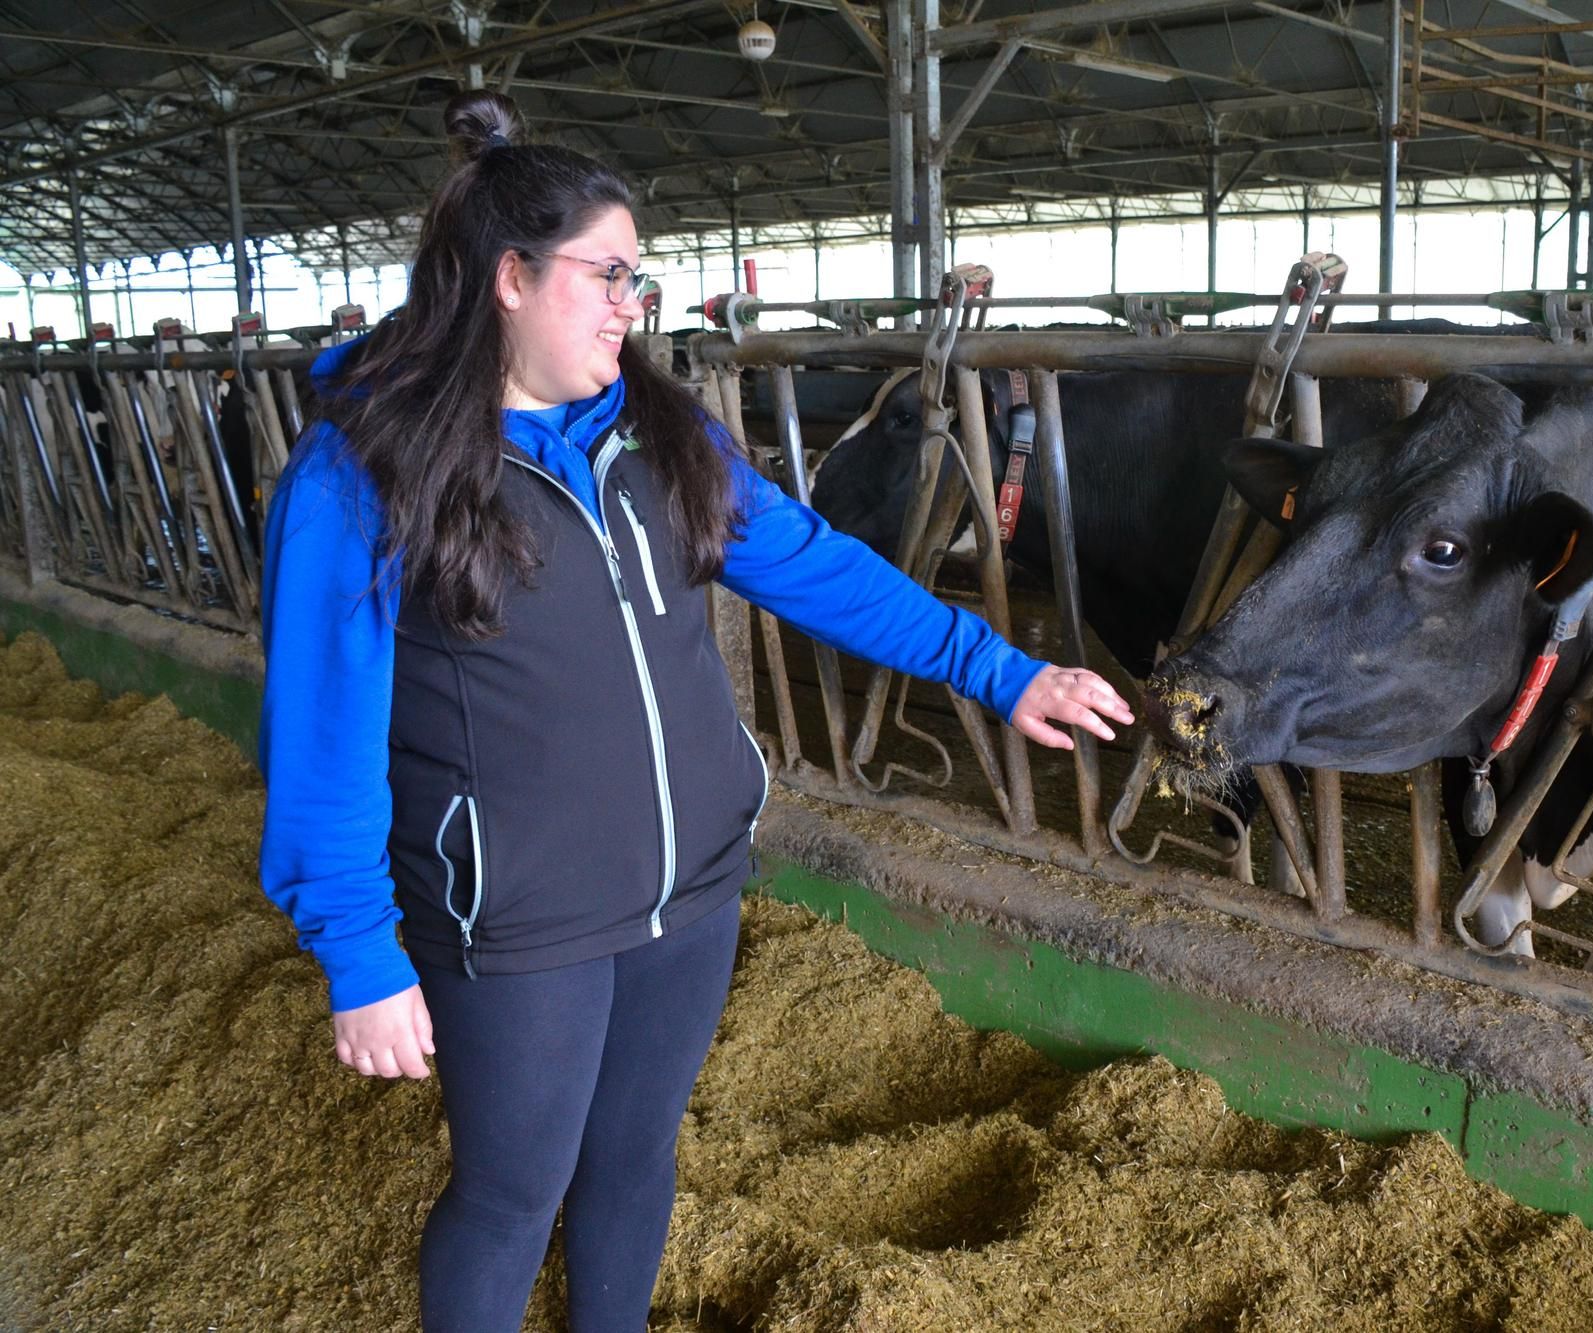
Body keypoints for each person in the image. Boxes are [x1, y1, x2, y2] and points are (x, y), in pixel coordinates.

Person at [256, 89, 1132, 1332]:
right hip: (514, 916)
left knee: (633, 1160)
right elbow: (320, 729)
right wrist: (358, 950)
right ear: (508, 276)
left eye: (638, 281)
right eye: (607, 275)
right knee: (512, 1189)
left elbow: (817, 565)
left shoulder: (661, 434)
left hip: (687, 885)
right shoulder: (365, 469)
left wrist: (1000, 670)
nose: (631, 306)